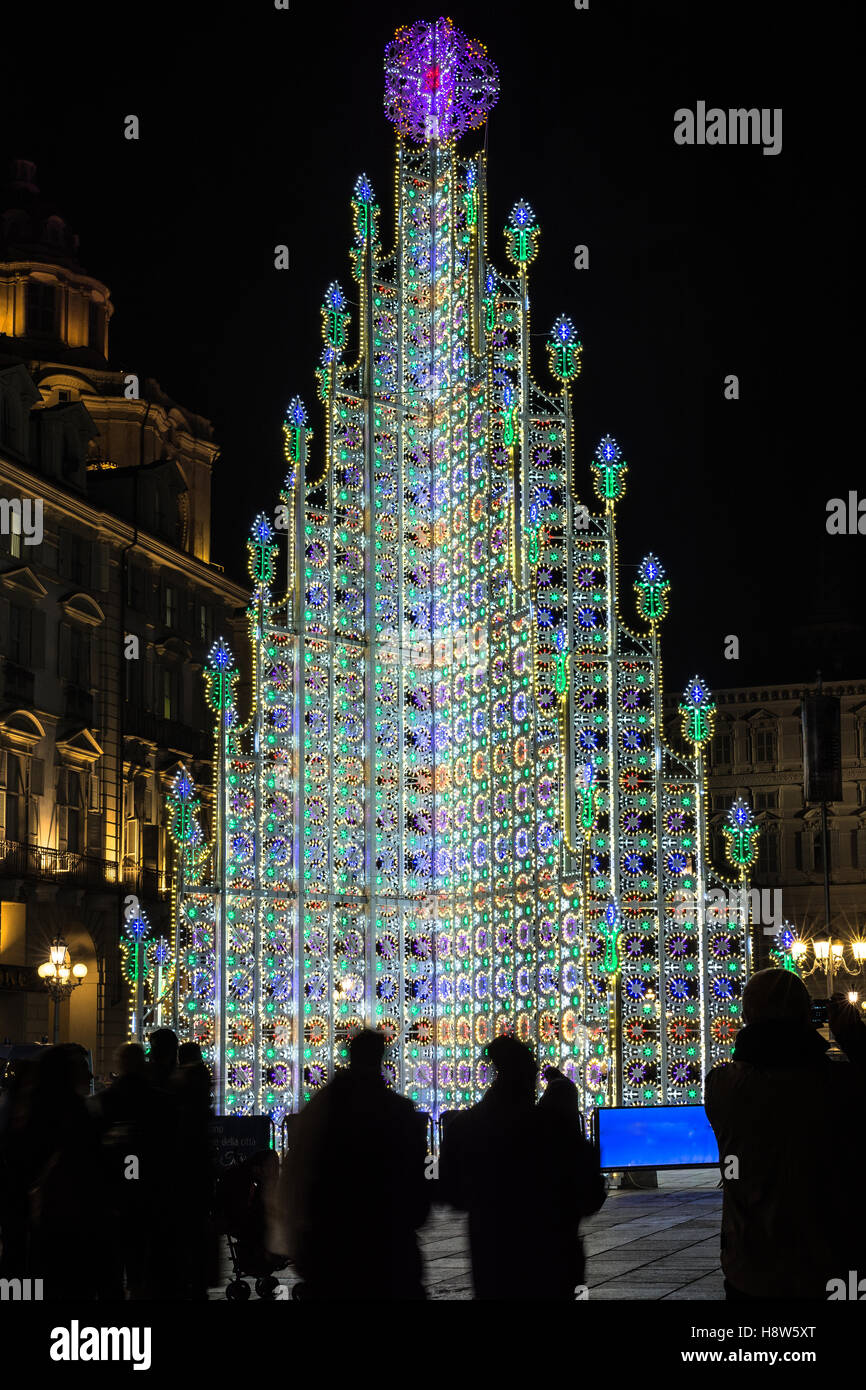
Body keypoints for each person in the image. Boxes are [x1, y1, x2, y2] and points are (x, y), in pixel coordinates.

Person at [705, 968, 866, 1300]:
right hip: (829, 1264)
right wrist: (854, 1038)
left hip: (750, 1267)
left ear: (747, 1016)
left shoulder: (724, 1087)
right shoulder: (840, 1085)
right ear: (808, 1015)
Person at [439, 1037, 605, 1299]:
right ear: (528, 1078)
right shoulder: (555, 1127)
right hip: (553, 1256)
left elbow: (450, 1192)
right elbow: (591, 1195)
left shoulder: (464, 1126)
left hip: (493, 1256)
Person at [287, 1029, 430, 1298]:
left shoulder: (320, 1108)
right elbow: (418, 1184)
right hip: (388, 1248)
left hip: (331, 1249)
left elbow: (298, 1175)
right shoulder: (400, 1111)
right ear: (381, 1059)